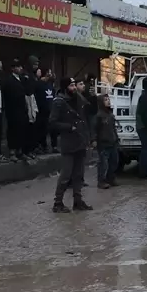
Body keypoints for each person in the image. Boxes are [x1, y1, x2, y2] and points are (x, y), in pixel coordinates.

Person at [49, 78, 93, 212]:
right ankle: (58, 203)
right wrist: (69, 127)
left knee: (79, 174)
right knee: (66, 174)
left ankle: (78, 201)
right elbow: (52, 123)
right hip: (68, 142)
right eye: (72, 85)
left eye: (75, 85)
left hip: (80, 140)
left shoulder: (77, 100)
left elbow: (87, 113)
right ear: (65, 87)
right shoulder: (59, 102)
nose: (74, 88)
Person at [1, 59, 31, 162]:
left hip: (22, 108)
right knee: (13, 130)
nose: (20, 69)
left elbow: (28, 91)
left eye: (21, 67)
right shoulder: (8, 80)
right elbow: (6, 94)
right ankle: (12, 151)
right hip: (13, 109)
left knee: (22, 130)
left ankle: (20, 150)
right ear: (13, 68)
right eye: (18, 67)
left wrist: (27, 80)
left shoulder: (23, 79)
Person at [94, 93, 120, 189]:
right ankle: (101, 181)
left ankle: (111, 178)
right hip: (103, 143)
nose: (108, 101)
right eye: (105, 100)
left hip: (112, 142)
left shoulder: (110, 115)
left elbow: (113, 128)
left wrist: (116, 138)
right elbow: (95, 129)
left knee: (114, 162)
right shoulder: (99, 116)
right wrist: (94, 140)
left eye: (108, 99)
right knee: (103, 163)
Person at [34, 68, 56, 153]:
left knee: (51, 129)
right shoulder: (38, 84)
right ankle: (42, 146)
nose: (51, 74)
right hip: (41, 111)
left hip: (50, 111)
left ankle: (51, 146)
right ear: (46, 73)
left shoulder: (50, 84)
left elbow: (52, 95)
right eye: (50, 72)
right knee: (41, 130)